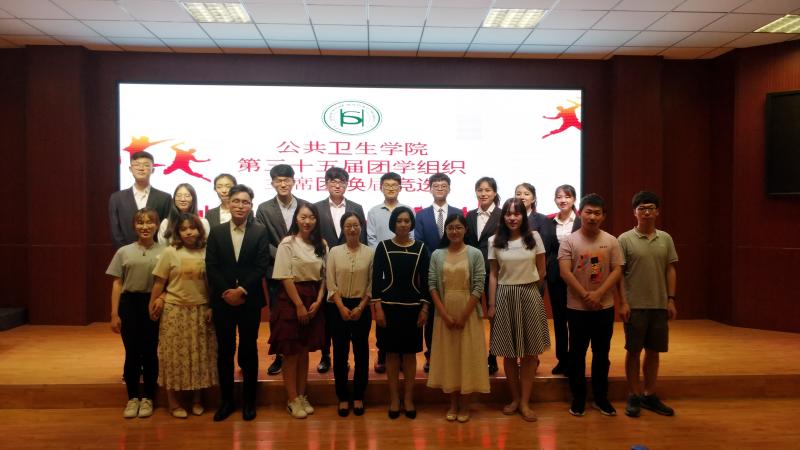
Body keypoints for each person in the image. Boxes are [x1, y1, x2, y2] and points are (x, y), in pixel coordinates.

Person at [205, 184, 270, 422]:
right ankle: (226, 401)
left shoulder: (259, 231)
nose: (240, 206)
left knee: (248, 349)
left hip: (249, 300)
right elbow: (211, 265)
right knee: (225, 351)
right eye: (236, 201)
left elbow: (261, 265)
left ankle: (249, 402)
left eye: (245, 202)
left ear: (251, 206)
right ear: (228, 203)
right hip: (223, 301)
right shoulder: (217, 231)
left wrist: (241, 290)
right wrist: (227, 292)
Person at [558, 193, 623, 417]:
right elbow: (565, 272)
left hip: (604, 308)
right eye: (588, 212)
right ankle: (578, 398)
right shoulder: (569, 241)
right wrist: (587, 295)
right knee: (576, 355)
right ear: (580, 213)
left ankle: (601, 398)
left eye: (597, 213)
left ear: (603, 216)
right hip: (577, 308)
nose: (592, 217)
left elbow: (617, 270)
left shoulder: (611, 241)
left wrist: (599, 294)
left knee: (601, 354)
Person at [149, 213, 218, 419]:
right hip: (175, 310)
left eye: (192, 228)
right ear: (178, 232)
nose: (188, 232)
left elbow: (213, 284)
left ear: (200, 230)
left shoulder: (207, 251)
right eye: (183, 229)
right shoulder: (170, 252)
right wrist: (152, 303)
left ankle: (197, 399)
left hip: (200, 310)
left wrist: (212, 306)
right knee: (173, 357)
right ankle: (173, 402)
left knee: (199, 357)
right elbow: (159, 282)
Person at [487, 198, 549, 422]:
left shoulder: (534, 238)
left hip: (530, 294)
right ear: (503, 216)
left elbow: (542, 271)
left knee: (530, 353)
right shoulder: (494, 240)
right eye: (508, 214)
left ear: (524, 216)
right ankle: (514, 398)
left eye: (517, 213)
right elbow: (493, 275)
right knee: (509, 352)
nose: (512, 218)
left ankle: (525, 401)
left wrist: (529, 289)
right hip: (504, 295)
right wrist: (492, 304)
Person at [617, 191, 678, 418]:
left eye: (650, 208)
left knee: (654, 352)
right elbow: (619, 274)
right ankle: (633, 394)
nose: (646, 212)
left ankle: (649, 394)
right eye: (641, 208)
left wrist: (671, 299)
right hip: (634, 306)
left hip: (659, 305)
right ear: (634, 212)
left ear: (657, 211)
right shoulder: (624, 239)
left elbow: (670, 269)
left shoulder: (666, 238)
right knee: (633, 351)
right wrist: (623, 302)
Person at [427, 214, 488, 423]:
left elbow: (479, 286)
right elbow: (432, 285)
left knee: (467, 357)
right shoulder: (437, 254)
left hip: (468, 313)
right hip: (443, 313)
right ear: (445, 231)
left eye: (458, 227)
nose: (454, 231)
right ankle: (452, 404)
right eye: (450, 228)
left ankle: (465, 405)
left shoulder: (475, 253)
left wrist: (463, 316)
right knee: (450, 358)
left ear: (465, 230)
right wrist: (444, 314)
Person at [269, 202, 327, 419]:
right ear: (296, 218)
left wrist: (318, 301)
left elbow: (325, 277)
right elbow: (284, 276)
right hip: (291, 299)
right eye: (303, 217)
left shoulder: (321, 244)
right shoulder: (288, 243)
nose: (307, 221)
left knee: (304, 352)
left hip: (313, 299)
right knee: (291, 352)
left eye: (311, 217)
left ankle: (302, 395)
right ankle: (292, 398)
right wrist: (299, 305)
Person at [106, 208, 165, 419]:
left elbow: (169, 282)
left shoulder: (166, 251)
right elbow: (117, 283)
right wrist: (114, 314)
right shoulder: (123, 251)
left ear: (157, 225)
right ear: (134, 226)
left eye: (150, 222)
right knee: (131, 352)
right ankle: (132, 398)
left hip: (153, 305)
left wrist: (162, 298)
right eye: (140, 222)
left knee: (149, 352)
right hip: (129, 305)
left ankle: (148, 397)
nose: (145, 226)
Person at [372, 206, 430, 419]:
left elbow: (425, 281)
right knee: (391, 354)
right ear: (393, 224)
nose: (403, 224)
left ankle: (408, 398)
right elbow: (376, 280)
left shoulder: (421, 248)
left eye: (407, 221)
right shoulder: (383, 247)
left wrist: (425, 307)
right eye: (399, 221)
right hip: (388, 308)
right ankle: (395, 399)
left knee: (409, 355)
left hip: (413, 308)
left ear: (411, 224)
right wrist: (378, 308)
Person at [255, 164, 308, 376]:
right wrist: (284, 256)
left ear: (294, 181)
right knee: (278, 316)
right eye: (279, 180)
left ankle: (301, 353)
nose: (283, 184)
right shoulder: (264, 208)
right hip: (275, 271)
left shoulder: (305, 205)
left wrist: (299, 256)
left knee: (301, 313)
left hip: (303, 270)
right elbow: (262, 239)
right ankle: (280, 356)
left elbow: (311, 234)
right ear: (272, 183)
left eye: (287, 180)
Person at [314, 167, 367, 374]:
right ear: (326, 183)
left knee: (348, 328)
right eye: (333, 182)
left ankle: (345, 358)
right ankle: (326, 355)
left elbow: (361, 238)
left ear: (347, 184)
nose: (337, 185)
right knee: (327, 317)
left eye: (342, 182)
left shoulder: (356, 207)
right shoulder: (316, 207)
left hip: (350, 265)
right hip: (323, 265)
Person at [326, 212, 374, 417]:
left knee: (361, 353)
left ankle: (359, 395)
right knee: (340, 353)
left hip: (361, 307)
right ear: (343, 228)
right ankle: (343, 397)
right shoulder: (334, 252)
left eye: (355, 225)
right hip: (338, 307)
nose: (352, 229)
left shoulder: (370, 253)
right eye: (348, 226)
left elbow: (372, 283)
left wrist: (361, 306)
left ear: (361, 227)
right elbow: (330, 282)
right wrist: (340, 306)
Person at [414, 172, 462, 373]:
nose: (440, 188)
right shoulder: (421, 215)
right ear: (430, 189)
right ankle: (431, 355)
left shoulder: (458, 213)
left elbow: (461, 239)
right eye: (436, 185)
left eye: (443, 185)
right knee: (432, 314)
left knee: (453, 311)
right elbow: (420, 243)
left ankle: (453, 354)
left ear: (449, 188)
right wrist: (438, 260)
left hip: (456, 270)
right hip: (430, 270)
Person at [366, 172, 408, 374]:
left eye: (394, 185)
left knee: (402, 313)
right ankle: (382, 351)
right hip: (382, 269)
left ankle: (401, 353)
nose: (391, 188)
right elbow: (372, 240)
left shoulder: (407, 211)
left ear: (400, 188)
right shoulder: (374, 211)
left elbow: (411, 238)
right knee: (382, 311)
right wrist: (384, 260)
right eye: (387, 185)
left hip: (404, 269)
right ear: (381, 188)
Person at [542, 184, 581, 375]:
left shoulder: (581, 221)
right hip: (556, 276)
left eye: (567, 196)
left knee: (576, 319)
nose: (563, 200)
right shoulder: (550, 222)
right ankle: (562, 359)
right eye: (559, 197)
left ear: (574, 199)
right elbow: (548, 250)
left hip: (578, 275)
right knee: (559, 319)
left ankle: (575, 359)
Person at [465, 176, 502, 375]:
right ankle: (474, 354)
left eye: (488, 190)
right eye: (480, 190)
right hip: (472, 272)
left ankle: (492, 356)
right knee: (473, 315)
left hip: (496, 272)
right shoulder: (470, 216)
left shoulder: (503, 215)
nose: (483, 193)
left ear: (494, 193)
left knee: (494, 315)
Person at [109, 151, 171, 248]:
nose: (141, 168)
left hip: (157, 253)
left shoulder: (164, 198)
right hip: (126, 253)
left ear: (153, 170)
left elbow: (166, 229)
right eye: (137, 165)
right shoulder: (117, 198)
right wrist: (126, 252)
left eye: (146, 165)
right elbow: (115, 231)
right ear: (130, 169)